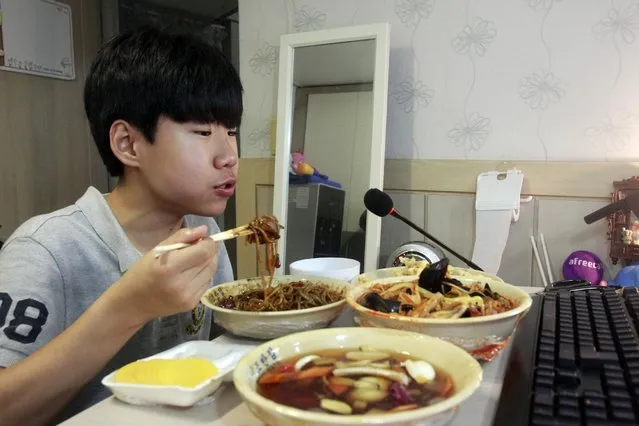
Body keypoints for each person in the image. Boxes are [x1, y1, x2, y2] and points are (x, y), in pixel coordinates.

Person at [0, 25, 242, 425]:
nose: (229, 155)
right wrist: (130, 306)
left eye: (231, 131)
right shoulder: (46, 250)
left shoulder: (204, 230)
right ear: (128, 144)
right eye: (202, 131)